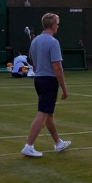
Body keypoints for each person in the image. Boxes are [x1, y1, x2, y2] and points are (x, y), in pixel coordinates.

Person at [21, 13, 71, 157]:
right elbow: (57, 66)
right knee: (43, 113)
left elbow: (32, 59)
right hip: (48, 80)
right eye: (57, 24)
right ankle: (29, 145)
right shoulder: (53, 42)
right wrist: (64, 87)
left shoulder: (35, 40)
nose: (58, 26)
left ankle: (58, 143)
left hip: (38, 79)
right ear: (53, 25)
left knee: (48, 114)